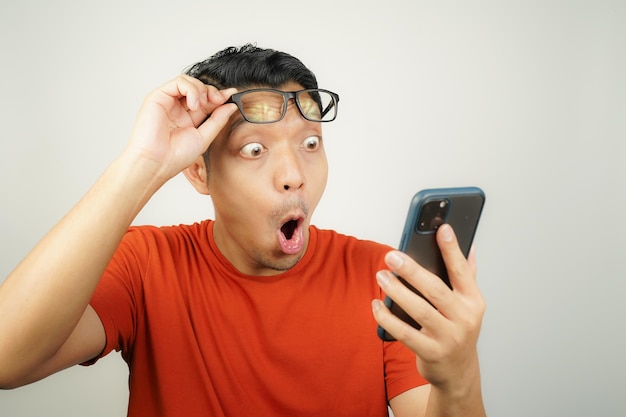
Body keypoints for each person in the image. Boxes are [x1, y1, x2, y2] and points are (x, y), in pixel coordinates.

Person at [0, 44, 486, 416]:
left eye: (311, 142)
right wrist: (142, 164)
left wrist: (457, 375)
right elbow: (7, 359)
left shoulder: (383, 280)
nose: (293, 174)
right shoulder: (147, 265)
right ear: (198, 171)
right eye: (255, 150)